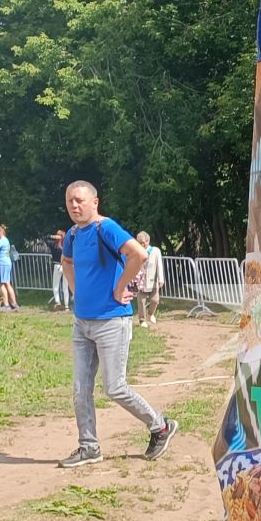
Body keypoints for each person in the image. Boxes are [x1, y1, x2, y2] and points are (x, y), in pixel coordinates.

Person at [58, 180, 177, 468]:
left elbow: (139, 253)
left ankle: (160, 426)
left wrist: (121, 286)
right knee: (80, 388)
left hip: (112, 321)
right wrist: (76, 292)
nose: (75, 206)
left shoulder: (105, 228)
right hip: (82, 323)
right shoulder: (74, 233)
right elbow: (66, 261)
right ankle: (88, 447)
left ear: (94, 202)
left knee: (114, 387)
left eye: (80, 201)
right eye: (70, 201)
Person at [134, 230, 165, 327]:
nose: (143, 244)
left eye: (145, 242)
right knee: (141, 301)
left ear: (148, 241)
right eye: (141, 243)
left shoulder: (156, 251)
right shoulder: (136, 251)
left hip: (153, 280)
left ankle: (151, 314)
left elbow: (159, 265)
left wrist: (161, 279)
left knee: (155, 300)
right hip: (141, 281)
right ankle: (142, 320)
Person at [0, 224, 17, 311]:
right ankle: (14, 303)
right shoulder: (6, 240)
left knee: (1, 284)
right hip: (7, 262)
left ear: (0, 232)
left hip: (2, 263)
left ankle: (6, 305)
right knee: (7, 283)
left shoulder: (2, 241)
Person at [47, 229, 70, 310]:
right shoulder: (67, 245)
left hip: (57, 265)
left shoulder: (53, 244)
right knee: (65, 287)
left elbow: (45, 238)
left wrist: (52, 236)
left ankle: (58, 302)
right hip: (66, 265)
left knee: (55, 286)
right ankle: (67, 306)